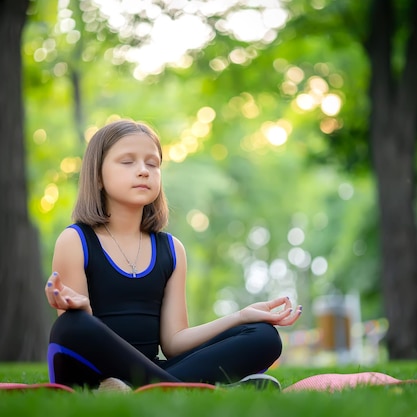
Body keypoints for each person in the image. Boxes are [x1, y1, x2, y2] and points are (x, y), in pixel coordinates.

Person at [44, 118, 302, 391]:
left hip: (152, 369)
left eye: (152, 164)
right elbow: (79, 336)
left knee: (264, 336)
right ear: (97, 175)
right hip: (91, 372)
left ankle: (145, 390)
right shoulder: (75, 240)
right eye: (127, 162)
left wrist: (241, 316)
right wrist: (83, 312)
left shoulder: (171, 250)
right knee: (72, 325)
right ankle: (185, 389)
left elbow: (174, 342)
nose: (143, 171)